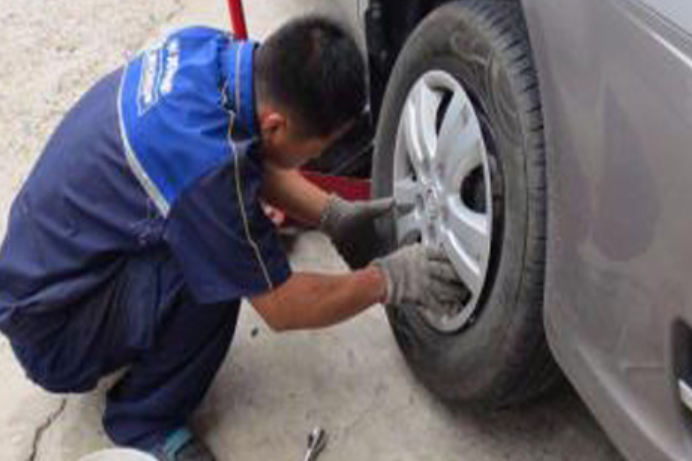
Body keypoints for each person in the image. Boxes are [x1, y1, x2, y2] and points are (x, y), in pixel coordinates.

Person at [0, 16, 463, 461]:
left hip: (52, 265)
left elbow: (247, 156)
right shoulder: (205, 169)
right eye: (315, 151)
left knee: (224, 237)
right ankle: (145, 420)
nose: (313, 161)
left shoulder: (211, 52)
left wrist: (332, 215)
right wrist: (388, 280)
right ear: (277, 125)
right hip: (56, 331)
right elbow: (283, 307)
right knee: (222, 272)